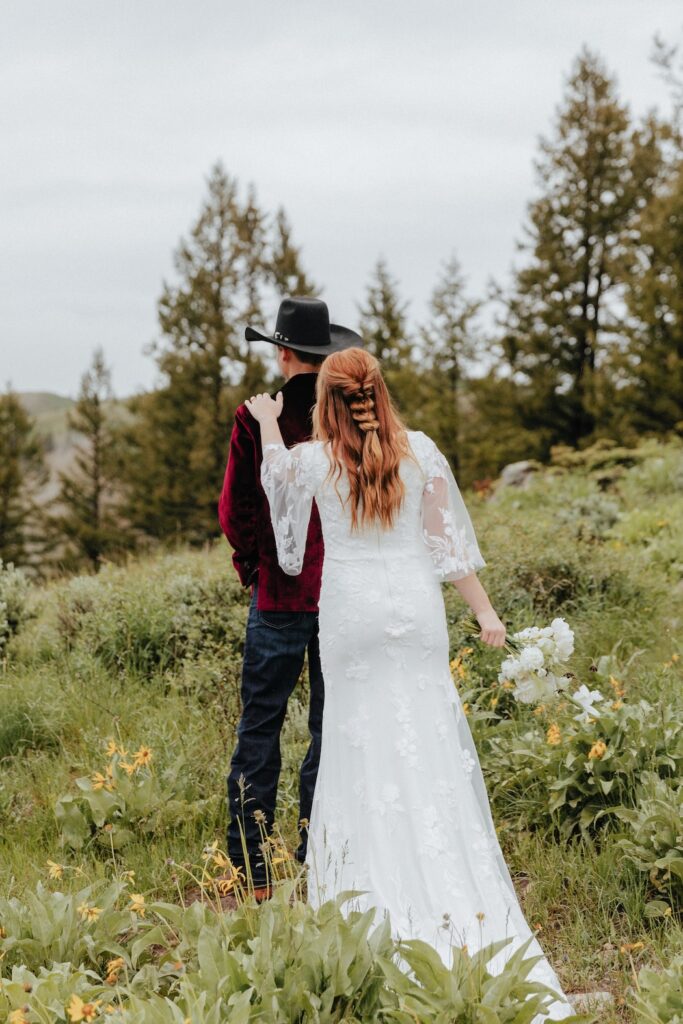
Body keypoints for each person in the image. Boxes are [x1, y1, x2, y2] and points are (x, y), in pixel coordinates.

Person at [244, 347, 573, 1018]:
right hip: (416, 615)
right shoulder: (420, 450)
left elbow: (277, 498)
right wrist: (485, 612)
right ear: (378, 393)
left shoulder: (312, 457)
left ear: (325, 401)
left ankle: (366, 918)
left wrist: (269, 421)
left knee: (357, 748)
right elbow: (446, 547)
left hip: (351, 613)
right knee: (425, 745)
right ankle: (458, 905)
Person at [218, 296, 362, 895]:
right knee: (331, 727)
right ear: (323, 355)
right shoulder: (350, 412)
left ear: (282, 354)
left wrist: (255, 566)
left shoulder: (257, 416)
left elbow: (235, 509)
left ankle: (252, 869)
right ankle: (316, 851)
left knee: (261, 728)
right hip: (342, 596)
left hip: (279, 597)